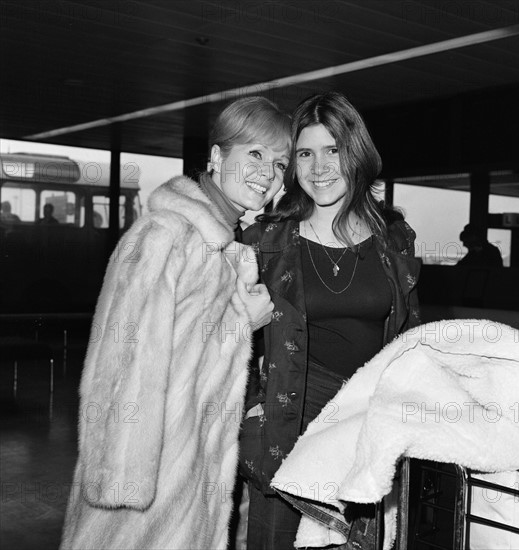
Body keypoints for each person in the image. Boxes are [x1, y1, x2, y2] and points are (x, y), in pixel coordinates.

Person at [60, 96, 290, 550]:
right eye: (255, 154)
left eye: (280, 163)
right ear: (218, 156)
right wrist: (121, 488)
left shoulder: (226, 250)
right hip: (144, 496)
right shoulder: (164, 236)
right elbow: (120, 365)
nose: (268, 172)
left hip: (189, 486)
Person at [239, 91, 421, 549]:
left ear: (355, 153)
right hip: (290, 418)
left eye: (332, 150)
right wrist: (248, 404)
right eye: (305, 153)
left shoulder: (393, 238)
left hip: (367, 422)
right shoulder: (266, 241)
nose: (319, 168)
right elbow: (217, 337)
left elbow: (410, 337)